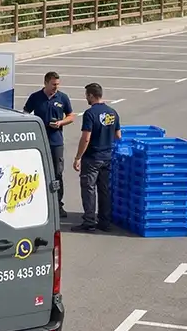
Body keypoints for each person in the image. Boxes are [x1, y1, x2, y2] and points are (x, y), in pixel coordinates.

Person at [23, 71, 75, 219]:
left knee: (57, 173)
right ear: (45, 83)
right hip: (39, 141)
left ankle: (58, 204)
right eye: (53, 84)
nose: (56, 87)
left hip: (56, 142)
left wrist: (60, 123)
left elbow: (71, 116)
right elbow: (25, 113)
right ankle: (39, 203)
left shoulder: (62, 97)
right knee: (38, 172)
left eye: (57, 84)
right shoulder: (35, 97)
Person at [72, 82, 121, 231]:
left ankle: (89, 221)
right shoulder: (112, 112)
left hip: (93, 157)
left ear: (91, 95)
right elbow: (118, 136)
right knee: (104, 189)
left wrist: (78, 157)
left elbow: (86, 138)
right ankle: (104, 222)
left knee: (88, 189)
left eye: (87, 95)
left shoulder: (90, 113)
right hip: (107, 156)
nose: (86, 98)